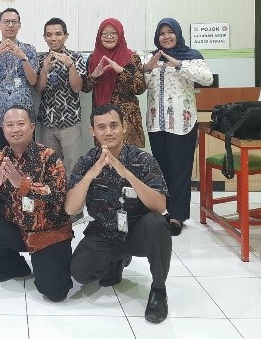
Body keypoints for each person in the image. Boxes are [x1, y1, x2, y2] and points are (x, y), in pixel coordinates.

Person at [66, 104, 171, 324]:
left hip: (137, 233)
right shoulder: (86, 161)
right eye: (101, 127)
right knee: (80, 271)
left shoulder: (143, 160)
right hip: (103, 233)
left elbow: (160, 206)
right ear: (92, 131)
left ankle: (159, 291)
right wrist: (91, 174)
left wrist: (127, 173)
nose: (108, 132)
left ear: (124, 127)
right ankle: (117, 261)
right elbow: (71, 209)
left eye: (114, 125)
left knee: (157, 224)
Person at [0, 105, 73, 302]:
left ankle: (47, 266)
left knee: (55, 292)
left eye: (21, 124)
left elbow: (59, 195)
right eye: (10, 125)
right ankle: (16, 268)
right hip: (15, 228)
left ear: (32, 127)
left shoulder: (49, 157)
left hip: (48, 232)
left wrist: (23, 184)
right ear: (3, 129)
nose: (15, 129)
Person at [144, 18, 213, 236]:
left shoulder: (191, 56)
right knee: (161, 170)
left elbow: (207, 79)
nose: (166, 36)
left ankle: (177, 216)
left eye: (170, 32)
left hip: (182, 124)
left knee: (180, 170)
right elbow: (140, 86)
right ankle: (164, 211)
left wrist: (179, 65)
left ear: (178, 34)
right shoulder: (151, 57)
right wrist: (147, 68)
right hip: (156, 123)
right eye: (162, 33)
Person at [0, 8, 39, 156]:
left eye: (14, 22)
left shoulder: (29, 49)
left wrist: (23, 57)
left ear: (19, 25)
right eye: (6, 22)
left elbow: (33, 81)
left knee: (27, 159)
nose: (10, 25)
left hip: (24, 116)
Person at [82, 18, 146, 147]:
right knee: (105, 154)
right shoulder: (92, 59)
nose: (109, 37)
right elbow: (85, 88)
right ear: (99, 36)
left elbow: (140, 88)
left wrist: (121, 71)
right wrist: (94, 75)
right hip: (101, 117)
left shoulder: (131, 58)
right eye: (105, 33)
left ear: (120, 35)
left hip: (126, 119)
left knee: (128, 155)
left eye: (113, 33)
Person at [34, 17, 86, 177]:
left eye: (58, 34)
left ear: (66, 36)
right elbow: (38, 89)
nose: (53, 38)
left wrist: (70, 66)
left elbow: (77, 88)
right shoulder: (41, 59)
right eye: (49, 35)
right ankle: (54, 194)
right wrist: (44, 70)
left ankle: (73, 194)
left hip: (70, 121)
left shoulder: (75, 58)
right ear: (44, 37)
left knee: (73, 166)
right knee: (50, 167)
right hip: (47, 121)